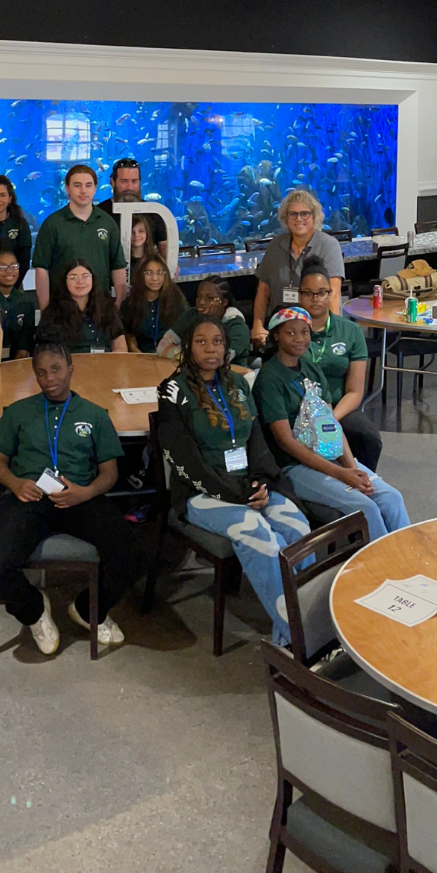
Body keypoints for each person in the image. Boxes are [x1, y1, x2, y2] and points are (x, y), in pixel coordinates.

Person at [158, 317, 313, 649]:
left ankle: (309, 621)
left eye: (217, 341)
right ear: (187, 347)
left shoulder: (240, 385)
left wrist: (258, 484)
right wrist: (239, 495)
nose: (211, 348)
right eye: (201, 342)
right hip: (201, 494)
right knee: (258, 534)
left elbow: (256, 442)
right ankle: (297, 639)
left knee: (298, 529)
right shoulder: (172, 392)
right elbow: (187, 463)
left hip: (249, 486)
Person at [0, 338, 142, 655]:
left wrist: (86, 493)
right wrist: (15, 484)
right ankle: (34, 611)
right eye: (41, 373)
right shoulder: (18, 412)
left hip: (80, 497)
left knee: (133, 556)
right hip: (27, 497)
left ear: (70, 369)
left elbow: (109, 472)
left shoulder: (95, 414)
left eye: (56, 369)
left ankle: (86, 611)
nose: (49, 378)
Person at [257, 307, 409, 540]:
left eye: (305, 332)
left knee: (391, 497)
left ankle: (409, 557)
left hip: (329, 456)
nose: (299, 339)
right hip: (295, 466)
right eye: (291, 333)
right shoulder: (270, 378)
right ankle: (379, 568)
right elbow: (286, 442)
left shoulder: (311, 369)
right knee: (365, 507)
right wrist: (340, 473)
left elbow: (331, 426)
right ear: (276, 335)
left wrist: (352, 468)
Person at [292, 269, 381, 470]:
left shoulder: (351, 331)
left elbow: (355, 391)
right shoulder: (289, 331)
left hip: (339, 406)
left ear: (331, 294)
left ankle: (362, 482)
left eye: (321, 292)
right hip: (297, 407)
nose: (315, 299)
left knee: (367, 437)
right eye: (308, 293)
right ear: (299, 295)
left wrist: (329, 419)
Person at [250, 188, 347, 352]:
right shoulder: (275, 245)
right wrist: (257, 325)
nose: (298, 219)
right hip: (279, 328)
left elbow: (334, 294)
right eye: (293, 214)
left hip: (313, 329)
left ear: (314, 216)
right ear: (285, 218)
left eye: (304, 214)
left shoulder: (329, 245)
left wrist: (332, 337)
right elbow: (263, 291)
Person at [32, 163, 127, 307]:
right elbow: (41, 269)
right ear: (67, 188)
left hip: (100, 307)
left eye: (88, 185)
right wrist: (45, 308)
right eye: (77, 185)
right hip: (62, 307)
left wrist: (119, 302)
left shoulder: (107, 222)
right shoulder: (52, 224)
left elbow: (118, 265)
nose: (83, 190)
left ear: (95, 188)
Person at [39, 262, 128, 353]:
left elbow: (120, 345)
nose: (80, 281)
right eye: (73, 277)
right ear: (64, 281)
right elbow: (48, 352)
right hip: (69, 365)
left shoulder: (107, 307)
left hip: (105, 363)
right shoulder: (53, 312)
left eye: (85, 276)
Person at [122, 253, 190, 357]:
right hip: (141, 358)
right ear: (140, 274)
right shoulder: (130, 303)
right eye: (149, 273)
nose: (155, 278)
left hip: (172, 356)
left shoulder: (176, 300)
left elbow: (186, 332)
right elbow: (129, 336)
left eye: (159, 273)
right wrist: (140, 356)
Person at [185, 275, 253, 369]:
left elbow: (218, 361)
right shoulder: (191, 314)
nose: (201, 302)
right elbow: (163, 345)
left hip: (231, 378)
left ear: (224, 302)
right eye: (199, 296)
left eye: (209, 298)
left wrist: (210, 320)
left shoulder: (237, 326)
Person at [0, 246, 40, 359]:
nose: (9, 270)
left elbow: (25, 344)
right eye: (2, 267)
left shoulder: (26, 302)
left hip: (15, 362)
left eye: (14, 266)